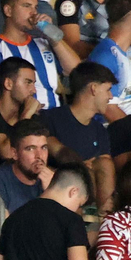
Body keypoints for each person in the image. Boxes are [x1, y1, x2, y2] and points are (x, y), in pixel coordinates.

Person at [0, 0, 80, 111]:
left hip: (54, 117)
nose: (34, 13)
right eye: (26, 6)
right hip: (22, 121)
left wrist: (53, 37)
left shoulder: (43, 43)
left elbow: (76, 70)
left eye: (36, 7)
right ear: (8, 11)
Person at [41, 61, 116, 210]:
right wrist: (82, 166)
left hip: (92, 191)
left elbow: (105, 164)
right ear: (93, 88)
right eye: (108, 90)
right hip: (60, 189)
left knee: (105, 164)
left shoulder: (99, 129)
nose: (111, 96)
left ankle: (104, 218)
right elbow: (56, 152)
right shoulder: (50, 118)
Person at [0, 119, 50, 215]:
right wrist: (49, 196)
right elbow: (1, 227)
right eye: (30, 149)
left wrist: (54, 190)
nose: (39, 156)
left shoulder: (53, 179)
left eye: (44, 148)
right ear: (14, 153)